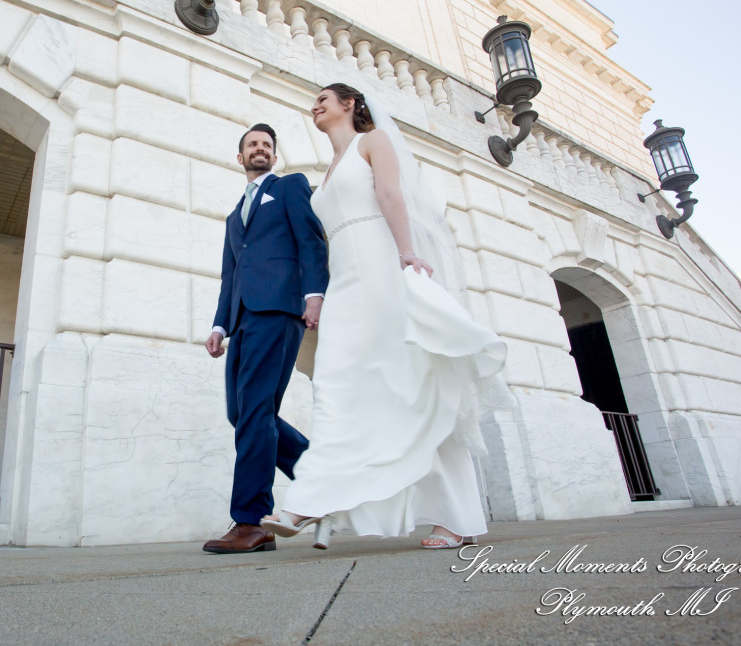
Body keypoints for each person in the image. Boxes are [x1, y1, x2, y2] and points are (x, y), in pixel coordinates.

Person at [260, 83, 514, 549]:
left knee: (416, 387)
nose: (315, 105)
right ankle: (311, 498)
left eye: (325, 98)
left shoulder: (372, 142)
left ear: (350, 104)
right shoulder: (328, 168)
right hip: (345, 283)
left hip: (381, 268)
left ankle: (457, 518)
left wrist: (407, 254)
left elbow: (392, 196)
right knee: (340, 387)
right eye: (314, 100)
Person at [202, 123, 329, 554]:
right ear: (240, 158)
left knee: (256, 412)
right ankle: (323, 480)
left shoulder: (290, 187)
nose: (260, 149)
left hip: (278, 309)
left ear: (274, 155)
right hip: (243, 320)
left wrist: (314, 294)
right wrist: (220, 325)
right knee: (242, 414)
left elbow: (311, 241)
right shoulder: (233, 215)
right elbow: (229, 274)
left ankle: (251, 521)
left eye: (267, 145)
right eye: (252, 145)